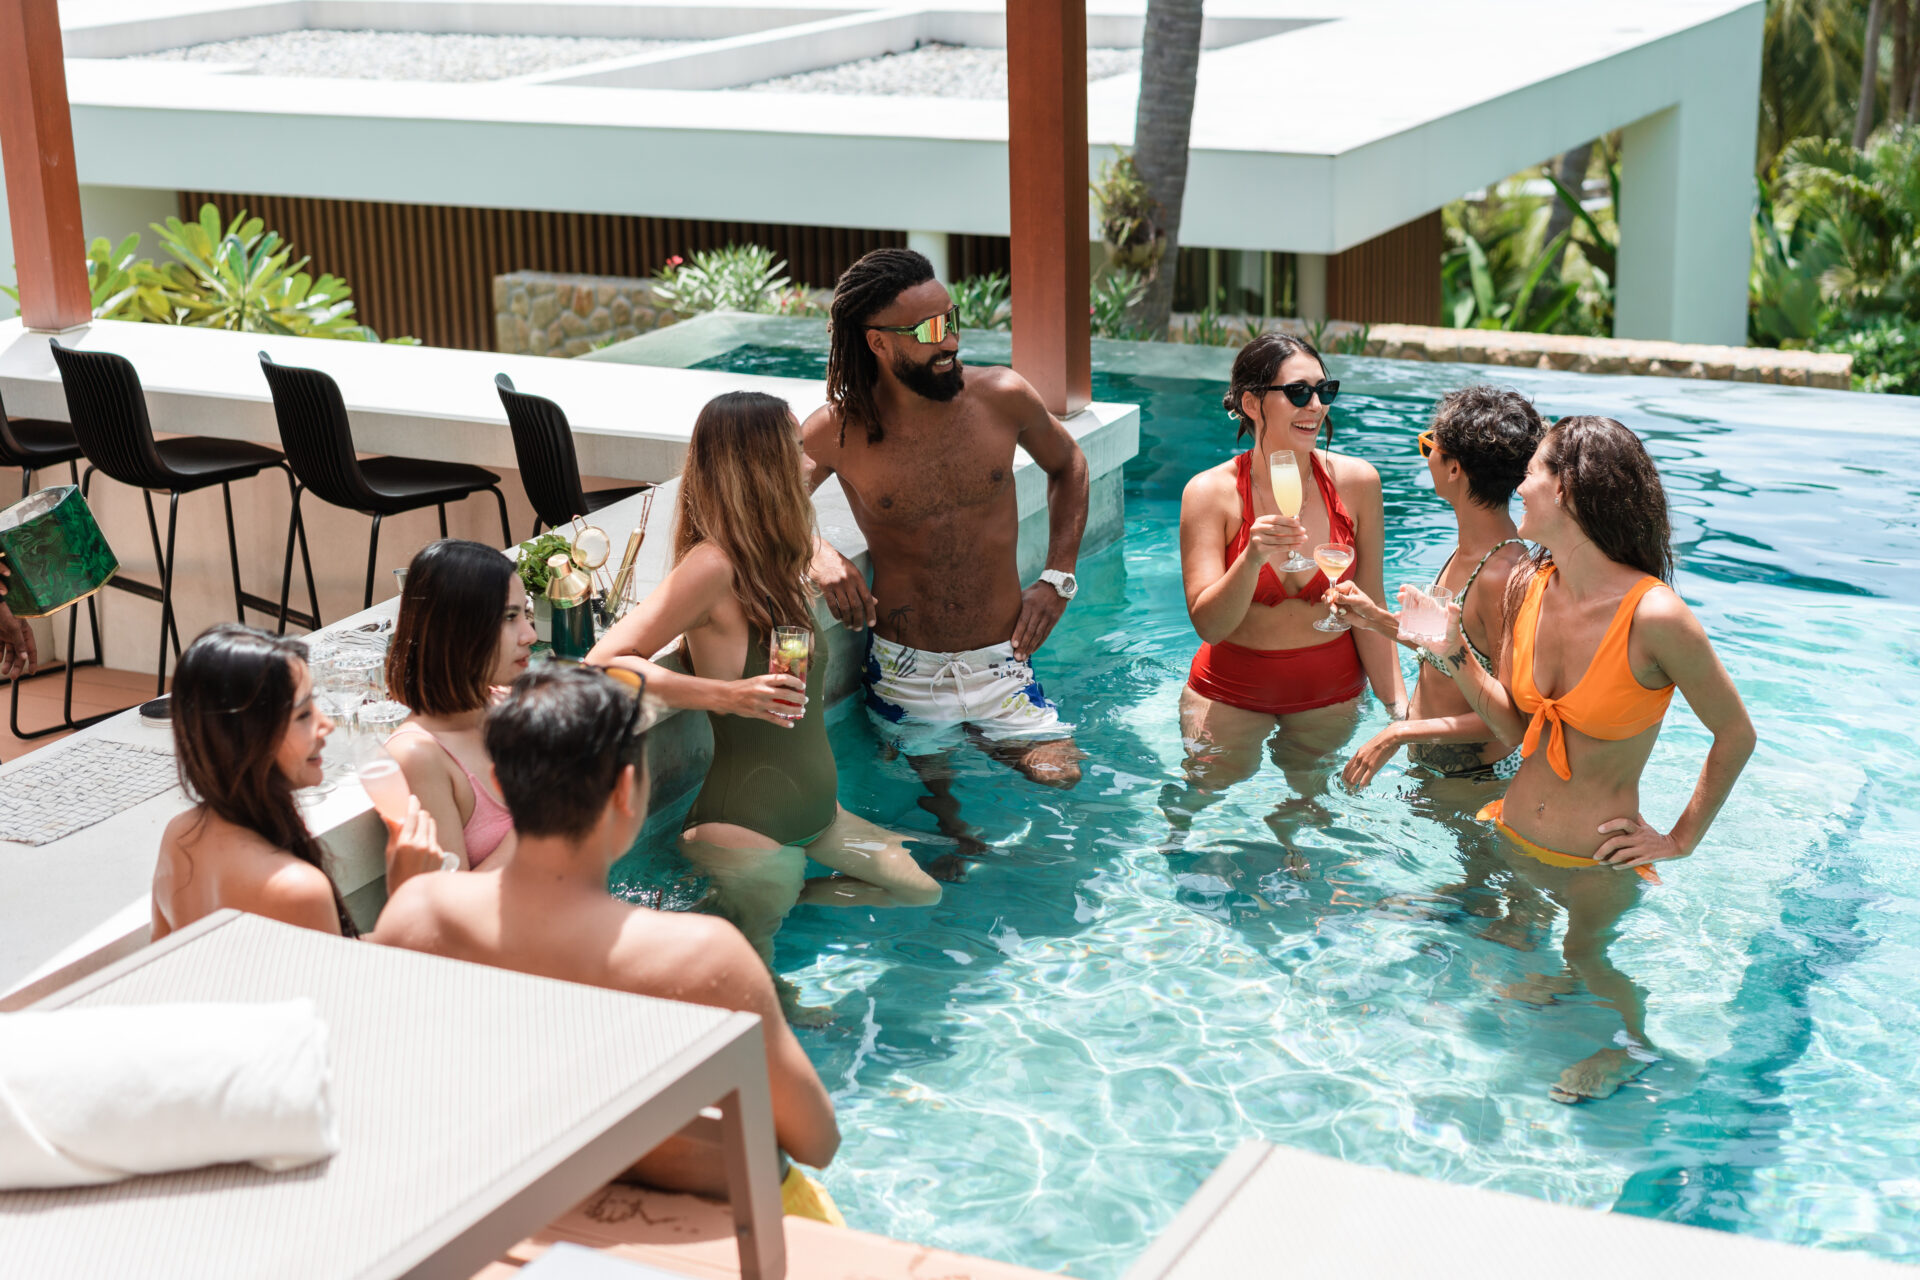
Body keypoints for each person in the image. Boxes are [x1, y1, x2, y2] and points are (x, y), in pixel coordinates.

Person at [370, 664, 843, 1218]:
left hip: (518, 1209)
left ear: (500, 783)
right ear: (626, 789)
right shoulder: (703, 956)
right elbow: (818, 1142)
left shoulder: (418, 914)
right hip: (713, 1226)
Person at [1413, 416, 1754, 1104]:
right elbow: (1513, 724)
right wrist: (1452, 652)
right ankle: (1563, 988)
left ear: (1566, 489)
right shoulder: (1533, 587)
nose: (1522, 486)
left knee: (1587, 956)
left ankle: (1632, 1046)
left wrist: (1680, 837)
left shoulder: (1655, 615)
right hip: (1514, 835)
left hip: (1597, 862)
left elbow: (1735, 733)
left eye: (1533, 471)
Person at [589, 391, 941, 981]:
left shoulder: (770, 557)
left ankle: (748, 909)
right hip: (746, 826)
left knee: (919, 891)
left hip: (818, 815)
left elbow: (801, 533)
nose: (805, 464)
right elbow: (604, 663)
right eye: (793, 448)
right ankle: (744, 924)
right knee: (759, 986)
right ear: (758, 464)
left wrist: (819, 552)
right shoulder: (712, 566)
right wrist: (724, 695)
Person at [802, 247, 1089, 861]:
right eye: (931, 331)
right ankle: (953, 827)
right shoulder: (838, 430)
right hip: (906, 670)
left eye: (952, 319)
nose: (951, 340)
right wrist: (815, 551)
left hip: (1002, 663)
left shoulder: (1002, 397)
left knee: (1063, 776)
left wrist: (1058, 575)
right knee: (942, 822)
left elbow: (1069, 464)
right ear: (878, 344)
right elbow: (760, 501)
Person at [1171, 333, 1405, 816]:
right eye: (1299, 392)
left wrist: (1399, 710)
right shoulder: (1209, 493)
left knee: (1311, 813)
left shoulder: (1359, 483)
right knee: (1199, 805)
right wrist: (1251, 558)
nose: (1316, 406)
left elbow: (1371, 603)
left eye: (1325, 391)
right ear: (1253, 403)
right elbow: (1209, 625)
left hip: (1332, 694)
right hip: (1230, 693)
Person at [153, 625, 441, 941]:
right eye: (304, 715)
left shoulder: (179, 836)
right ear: (249, 737)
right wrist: (405, 891)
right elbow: (348, 985)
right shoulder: (296, 887)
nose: (327, 724)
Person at [1329, 386, 1542, 786]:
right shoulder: (1469, 551)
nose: (1426, 458)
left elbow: (1513, 721)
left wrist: (1398, 731)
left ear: (1455, 468)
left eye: (1430, 446)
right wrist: (1375, 620)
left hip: (1477, 784)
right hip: (1436, 775)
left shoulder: (1503, 575)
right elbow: (1453, 653)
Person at [383, 538, 535, 891]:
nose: (530, 634)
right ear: (458, 630)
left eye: (525, 614)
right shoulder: (419, 756)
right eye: (510, 618)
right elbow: (448, 906)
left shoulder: (505, 704)